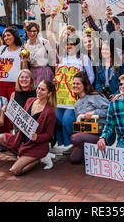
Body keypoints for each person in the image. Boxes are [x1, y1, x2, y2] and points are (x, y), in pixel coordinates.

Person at [47, 10, 94, 149]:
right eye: (67, 44)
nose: (68, 47)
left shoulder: (83, 58)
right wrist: (52, 18)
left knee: (68, 120)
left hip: (74, 97)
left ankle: (74, 144)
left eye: (71, 44)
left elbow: (91, 75)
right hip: (60, 96)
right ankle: (65, 145)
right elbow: (50, 37)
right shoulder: (61, 57)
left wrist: (84, 89)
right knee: (58, 120)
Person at [0, 80, 57, 176]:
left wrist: (37, 137)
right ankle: (22, 155)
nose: (39, 91)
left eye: (43, 90)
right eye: (38, 88)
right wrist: (8, 112)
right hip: (21, 139)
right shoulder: (30, 101)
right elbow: (21, 120)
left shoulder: (49, 112)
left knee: (15, 171)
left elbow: (49, 135)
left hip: (36, 145)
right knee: (0, 138)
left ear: (49, 93)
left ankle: (39, 158)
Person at [69, 72, 114, 163]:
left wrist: (94, 113)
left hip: (103, 134)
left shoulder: (95, 96)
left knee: (74, 138)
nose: (75, 85)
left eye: (78, 83)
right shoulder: (77, 103)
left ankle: (103, 148)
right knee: (74, 159)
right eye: (73, 83)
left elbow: (111, 111)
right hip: (88, 134)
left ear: (84, 85)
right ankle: (96, 152)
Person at [97, 75, 124, 154]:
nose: (122, 87)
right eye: (121, 84)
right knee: (120, 159)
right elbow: (109, 124)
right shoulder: (114, 103)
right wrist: (103, 137)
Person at [0, 27, 24, 134]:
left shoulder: (21, 51)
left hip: (14, 84)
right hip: (1, 84)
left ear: (15, 36)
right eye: (5, 36)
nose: (6, 38)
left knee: (15, 110)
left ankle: (18, 136)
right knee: (2, 110)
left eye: (9, 35)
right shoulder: (2, 49)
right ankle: (4, 136)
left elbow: (23, 69)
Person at [23, 21, 55, 86]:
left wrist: (56, 75)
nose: (32, 33)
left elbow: (54, 59)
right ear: (26, 31)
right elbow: (25, 65)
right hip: (32, 73)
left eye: (34, 31)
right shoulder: (26, 45)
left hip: (44, 72)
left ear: (37, 32)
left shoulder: (44, 42)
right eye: (30, 31)